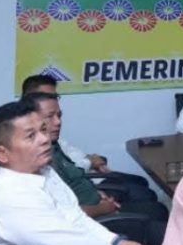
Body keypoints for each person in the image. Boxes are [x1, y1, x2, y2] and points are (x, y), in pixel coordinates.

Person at [0, 99, 157, 245]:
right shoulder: (11, 199)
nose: (45, 139)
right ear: (2, 153)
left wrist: (117, 242)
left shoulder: (44, 171)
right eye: (31, 136)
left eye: (43, 130)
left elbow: (76, 218)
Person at [22, 91, 168, 245]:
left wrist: (97, 193)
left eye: (59, 115)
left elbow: (74, 181)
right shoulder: (40, 160)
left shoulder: (54, 146)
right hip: (93, 222)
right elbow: (68, 215)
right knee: (162, 223)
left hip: (97, 206)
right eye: (50, 116)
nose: (58, 122)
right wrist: (103, 208)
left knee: (156, 209)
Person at [21, 73, 157, 201]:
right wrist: (90, 163)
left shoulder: (54, 137)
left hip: (89, 181)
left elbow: (69, 154)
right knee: (148, 198)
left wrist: (92, 159)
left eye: (54, 96)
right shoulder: (35, 144)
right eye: (46, 96)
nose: (52, 100)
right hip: (86, 190)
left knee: (141, 183)